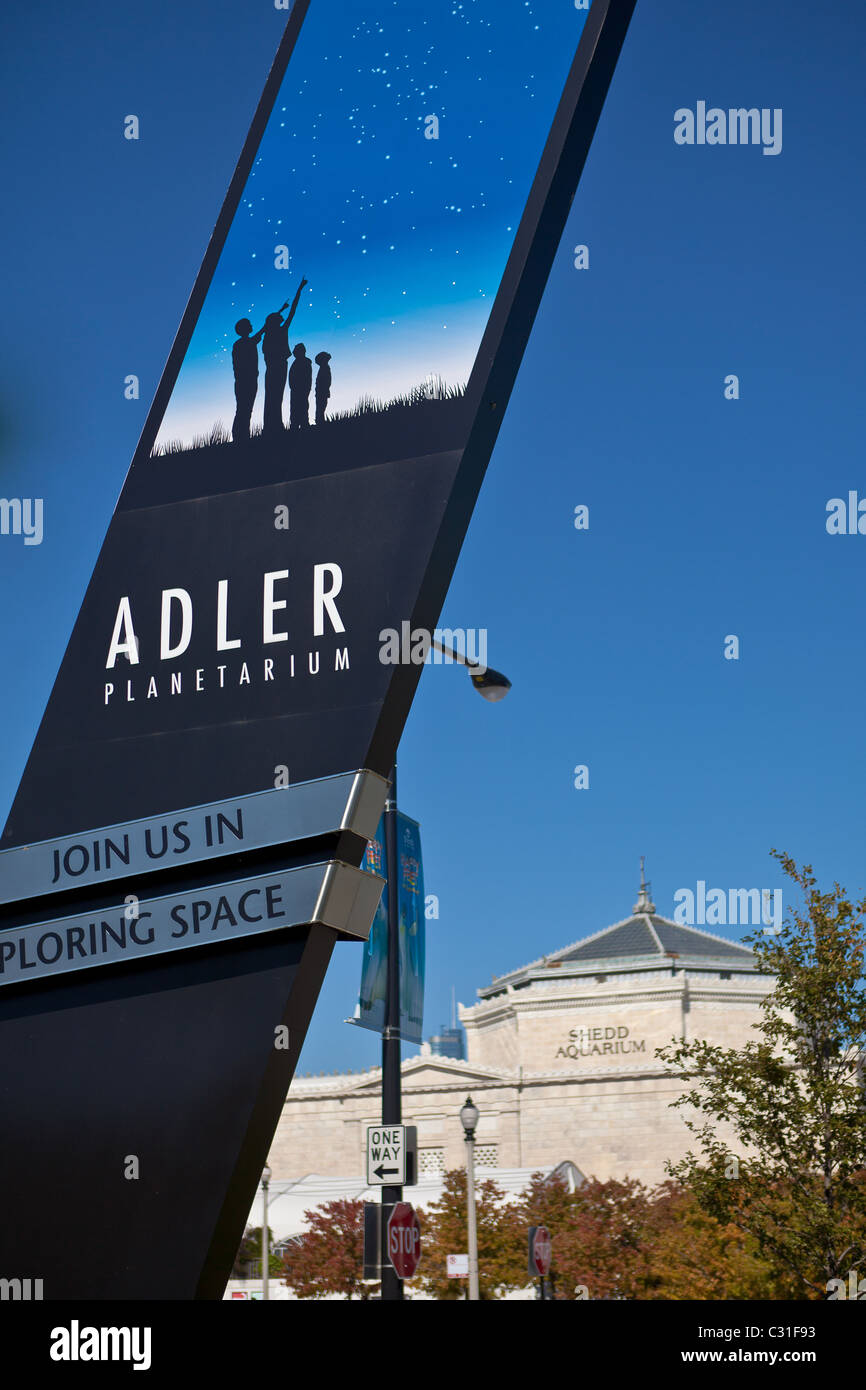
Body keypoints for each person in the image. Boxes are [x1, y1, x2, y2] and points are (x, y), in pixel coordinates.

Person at [261, 276, 307, 436]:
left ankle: (271, 426)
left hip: (274, 367)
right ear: (276, 321)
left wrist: (281, 308)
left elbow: (268, 323)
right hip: (279, 366)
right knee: (276, 396)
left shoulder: (268, 334)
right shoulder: (280, 330)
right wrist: (299, 290)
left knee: (272, 397)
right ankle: (274, 426)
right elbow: (293, 310)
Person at [231, 318, 264, 442]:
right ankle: (240, 437)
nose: (251, 325)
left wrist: (281, 310)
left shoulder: (245, 342)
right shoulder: (242, 344)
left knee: (245, 409)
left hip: (246, 381)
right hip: (245, 381)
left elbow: (261, 332)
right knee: (244, 409)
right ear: (244, 328)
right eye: (249, 324)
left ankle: (242, 436)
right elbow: (261, 332)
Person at [289, 343, 313, 431]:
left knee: (302, 408)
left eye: (295, 350)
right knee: (295, 409)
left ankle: (303, 426)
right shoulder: (297, 363)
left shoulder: (305, 363)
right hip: (295, 390)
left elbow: (307, 378)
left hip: (301, 390)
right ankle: (296, 426)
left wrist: (305, 390)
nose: (293, 352)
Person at [314, 351, 332, 425]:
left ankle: (320, 423)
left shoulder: (325, 368)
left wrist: (322, 389)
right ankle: (320, 422)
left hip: (322, 392)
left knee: (320, 408)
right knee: (320, 408)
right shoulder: (324, 368)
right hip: (321, 391)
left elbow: (326, 382)